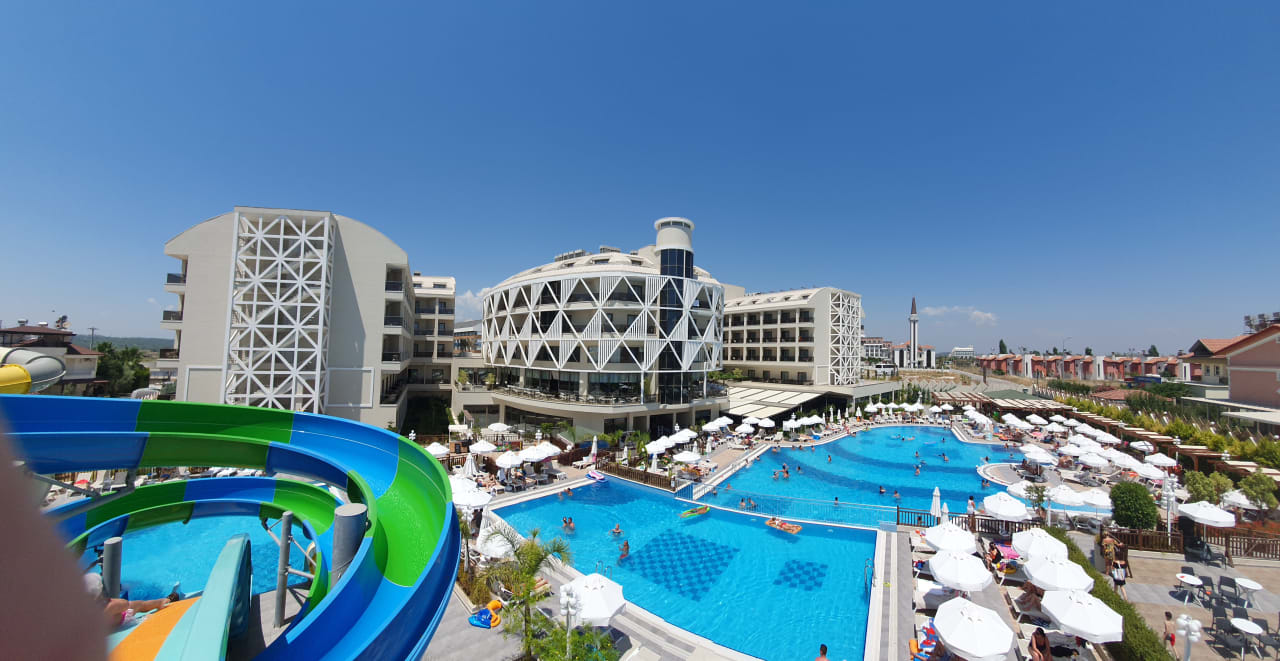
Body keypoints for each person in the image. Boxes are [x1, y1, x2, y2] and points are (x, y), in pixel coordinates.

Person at [86, 573, 181, 630]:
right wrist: (110, 600)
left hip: (110, 625)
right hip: (124, 619)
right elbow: (125, 604)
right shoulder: (108, 607)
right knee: (141, 604)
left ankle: (162, 601)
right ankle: (162, 602)